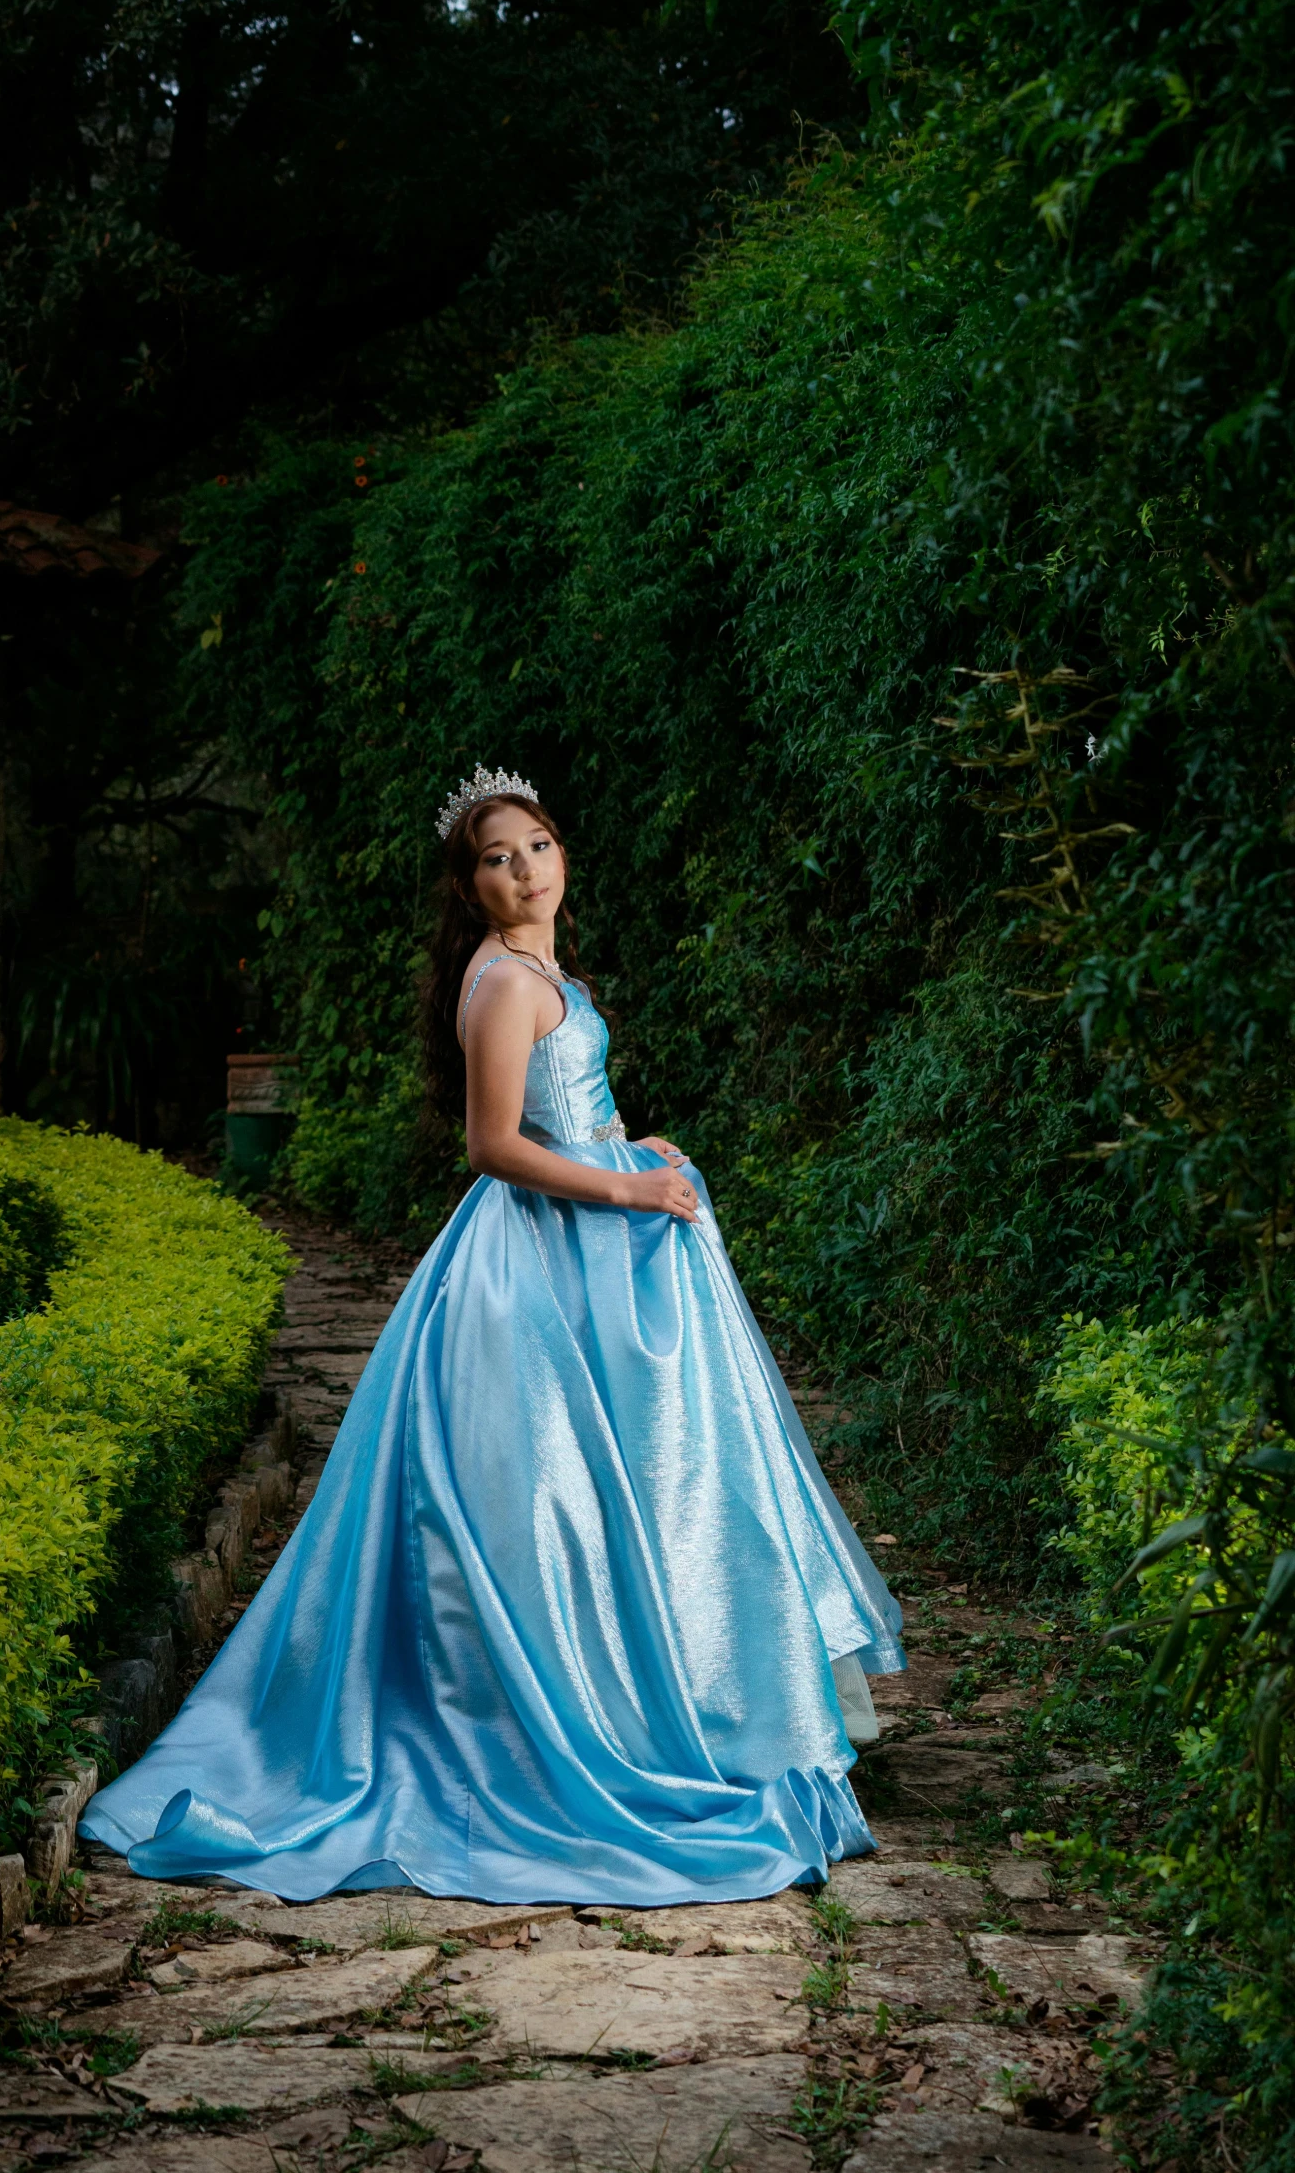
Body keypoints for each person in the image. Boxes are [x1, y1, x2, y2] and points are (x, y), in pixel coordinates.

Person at [81, 766, 904, 1904]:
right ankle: (583, 1720)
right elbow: (492, 1145)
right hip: (537, 1263)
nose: (522, 868)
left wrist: (626, 1139)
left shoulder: (534, 968)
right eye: (494, 856)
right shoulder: (503, 982)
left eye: (536, 845)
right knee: (567, 1496)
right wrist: (622, 1194)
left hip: (585, 1234)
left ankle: (704, 1693)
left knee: (653, 1476)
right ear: (468, 887)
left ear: (560, 854)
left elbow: (563, 1105)